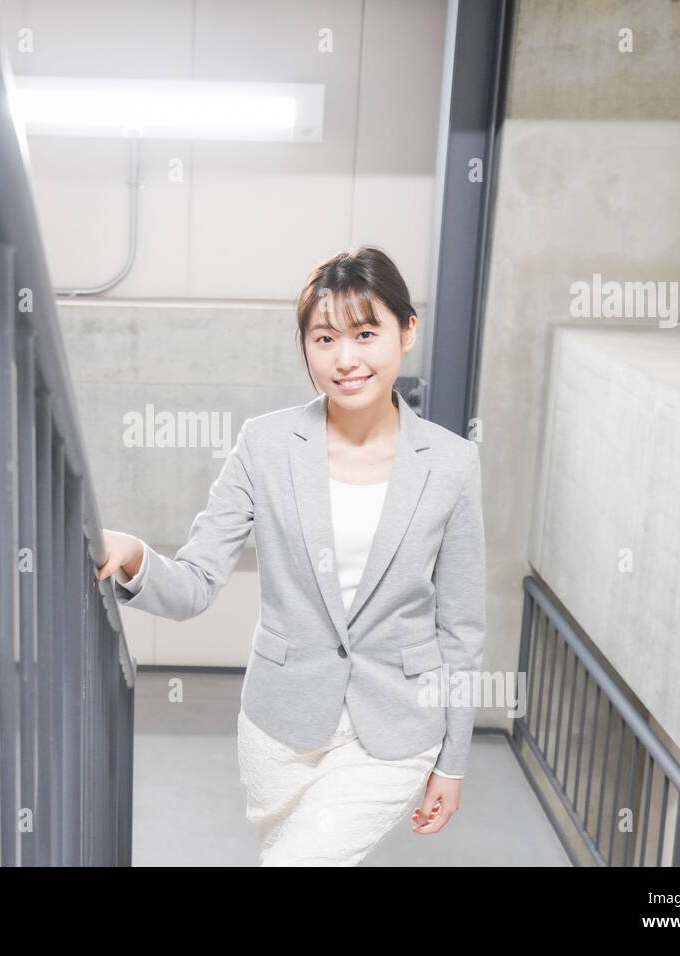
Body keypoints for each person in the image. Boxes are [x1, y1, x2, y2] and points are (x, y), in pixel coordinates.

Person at [95, 246, 486, 865]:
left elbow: (461, 629)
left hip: (395, 728)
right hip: (279, 726)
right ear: (305, 346)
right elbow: (197, 582)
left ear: (407, 332)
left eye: (365, 333)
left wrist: (453, 761)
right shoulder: (266, 445)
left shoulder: (452, 463)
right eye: (325, 338)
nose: (346, 358)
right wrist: (135, 554)